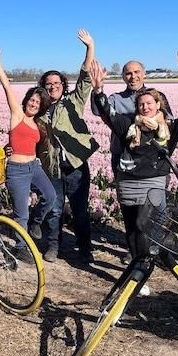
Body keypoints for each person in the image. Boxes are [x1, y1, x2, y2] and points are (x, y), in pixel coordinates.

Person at [90, 60, 178, 293]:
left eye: (149, 103)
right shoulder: (128, 127)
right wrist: (98, 90)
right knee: (131, 229)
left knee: (143, 224)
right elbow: (106, 111)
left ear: (158, 105)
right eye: (141, 104)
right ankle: (136, 272)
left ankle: (143, 270)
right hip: (127, 181)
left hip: (154, 182)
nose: (145, 107)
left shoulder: (170, 129)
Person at [0, 48, 56, 261]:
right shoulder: (17, 114)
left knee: (50, 196)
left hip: (34, 167)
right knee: (20, 212)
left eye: (38, 103)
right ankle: (20, 246)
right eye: (32, 100)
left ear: (42, 106)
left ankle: (36, 221)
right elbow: (7, 87)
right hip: (16, 170)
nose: (34, 104)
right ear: (26, 100)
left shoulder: (38, 124)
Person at [36, 29, 100, 264]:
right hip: (51, 167)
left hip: (75, 166)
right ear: (43, 87)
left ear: (63, 84)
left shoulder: (74, 101)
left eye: (56, 83)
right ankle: (54, 247)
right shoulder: (38, 110)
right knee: (53, 211)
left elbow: (85, 77)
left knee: (80, 211)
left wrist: (89, 47)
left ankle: (85, 249)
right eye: (48, 84)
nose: (53, 87)